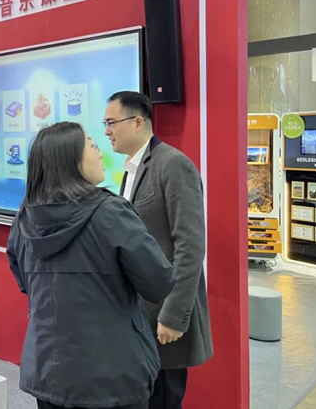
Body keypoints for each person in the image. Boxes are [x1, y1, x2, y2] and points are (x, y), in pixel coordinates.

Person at [7, 121, 175, 409]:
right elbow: (158, 283)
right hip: (112, 376)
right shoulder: (111, 212)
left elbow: (24, 282)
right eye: (92, 145)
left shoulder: (24, 217)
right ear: (70, 160)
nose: (99, 152)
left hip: (47, 374)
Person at [104, 91, 214, 409]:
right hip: (138, 311)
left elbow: (190, 246)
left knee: (164, 397)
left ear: (138, 122)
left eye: (111, 123)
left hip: (163, 315)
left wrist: (174, 315)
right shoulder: (131, 168)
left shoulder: (173, 165)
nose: (107, 131)